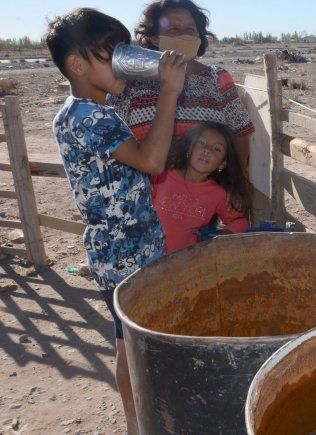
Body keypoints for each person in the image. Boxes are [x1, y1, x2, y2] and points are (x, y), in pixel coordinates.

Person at [46, 8, 186, 434]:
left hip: (121, 252)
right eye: (113, 56)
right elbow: (152, 160)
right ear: (78, 65)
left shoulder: (80, 112)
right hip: (127, 256)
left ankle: (140, 420)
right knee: (134, 347)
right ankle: (138, 423)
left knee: (130, 342)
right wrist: (169, 91)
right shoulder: (91, 117)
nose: (124, 63)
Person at [107, 0, 254, 165]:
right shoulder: (132, 83)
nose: (184, 35)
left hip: (208, 182)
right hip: (145, 180)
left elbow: (240, 133)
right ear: (155, 39)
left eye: (190, 29)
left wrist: (235, 178)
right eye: (173, 30)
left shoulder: (217, 78)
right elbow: (112, 138)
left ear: (198, 36)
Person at [152, 122, 252, 253]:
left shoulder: (218, 194)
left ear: (222, 164)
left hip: (183, 261)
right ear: (189, 149)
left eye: (217, 149)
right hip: (144, 258)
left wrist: (223, 237)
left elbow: (240, 222)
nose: (207, 150)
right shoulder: (161, 175)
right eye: (201, 142)